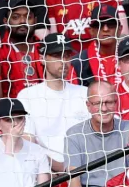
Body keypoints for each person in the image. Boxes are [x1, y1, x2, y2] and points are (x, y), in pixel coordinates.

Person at [17, 33, 91, 165]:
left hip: (87, 168)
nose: (63, 61)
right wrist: (61, 169)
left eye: (67, 56)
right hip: (46, 172)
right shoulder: (27, 96)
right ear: (42, 59)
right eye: (57, 56)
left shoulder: (85, 93)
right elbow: (28, 142)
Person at [65, 80, 129, 187]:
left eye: (109, 102)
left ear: (116, 103)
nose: (104, 108)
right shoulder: (74, 135)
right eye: (97, 103)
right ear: (88, 106)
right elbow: (73, 181)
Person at [0, 98, 51, 187]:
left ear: (25, 120)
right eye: (9, 120)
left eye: (19, 118)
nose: (15, 124)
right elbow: (1, 185)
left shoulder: (38, 151)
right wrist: (11, 141)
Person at [70, 4, 121, 88]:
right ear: (91, 31)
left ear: (120, 29)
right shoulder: (77, 64)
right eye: (99, 25)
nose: (105, 29)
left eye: (111, 24)